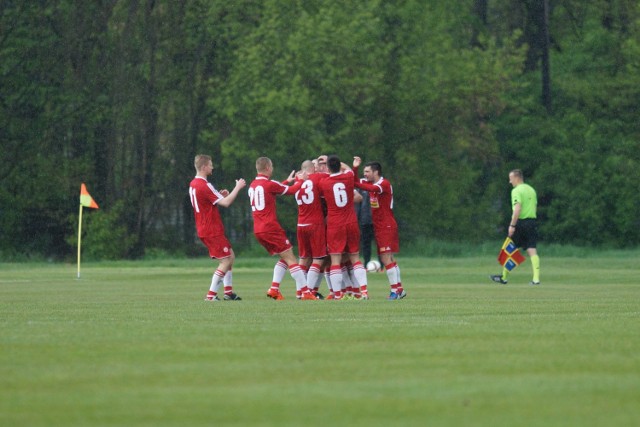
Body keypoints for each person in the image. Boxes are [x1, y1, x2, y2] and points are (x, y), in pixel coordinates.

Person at [248, 157, 316, 300]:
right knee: (291, 258)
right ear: (267, 167)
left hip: (258, 229)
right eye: (271, 166)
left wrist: (286, 181)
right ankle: (306, 293)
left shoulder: (253, 185)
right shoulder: (269, 184)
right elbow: (291, 191)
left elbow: (272, 190)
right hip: (270, 227)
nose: (272, 168)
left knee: (284, 257)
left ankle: (274, 289)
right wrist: (300, 180)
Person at [189, 154, 246, 301]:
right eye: (210, 164)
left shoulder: (193, 184)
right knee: (225, 261)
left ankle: (228, 293)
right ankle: (211, 295)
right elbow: (226, 203)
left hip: (205, 227)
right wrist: (237, 187)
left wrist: (219, 196)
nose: (212, 167)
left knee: (230, 256)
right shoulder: (204, 184)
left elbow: (206, 202)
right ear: (203, 167)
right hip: (211, 228)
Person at [353, 157, 406, 300]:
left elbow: (367, 187)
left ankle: (395, 291)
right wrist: (354, 167)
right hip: (379, 226)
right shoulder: (369, 182)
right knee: (389, 257)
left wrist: (356, 177)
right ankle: (399, 289)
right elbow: (354, 181)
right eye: (364, 172)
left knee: (385, 257)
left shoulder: (384, 184)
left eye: (367, 171)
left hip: (387, 225)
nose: (365, 174)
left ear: (376, 172)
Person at [317, 155, 368, 300]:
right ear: (339, 166)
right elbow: (349, 170)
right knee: (355, 257)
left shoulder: (324, 182)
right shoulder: (348, 177)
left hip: (335, 224)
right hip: (351, 222)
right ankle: (364, 292)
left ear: (327, 167)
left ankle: (338, 295)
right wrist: (350, 165)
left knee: (335, 260)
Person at [490, 169, 541, 285]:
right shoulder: (531, 190)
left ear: (517, 178)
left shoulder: (516, 190)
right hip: (532, 222)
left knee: (510, 249)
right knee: (532, 250)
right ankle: (536, 279)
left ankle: (504, 277)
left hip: (520, 222)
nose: (509, 181)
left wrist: (512, 225)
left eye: (511, 178)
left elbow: (517, 209)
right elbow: (534, 207)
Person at [294, 159, 329, 299]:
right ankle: (307, 292)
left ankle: (299, 292)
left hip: (301, 223)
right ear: (312, 169)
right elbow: (333, 176)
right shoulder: (316, 177)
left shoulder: (297, 181)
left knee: (303, 259)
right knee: (319, 259)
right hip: (315, 224)